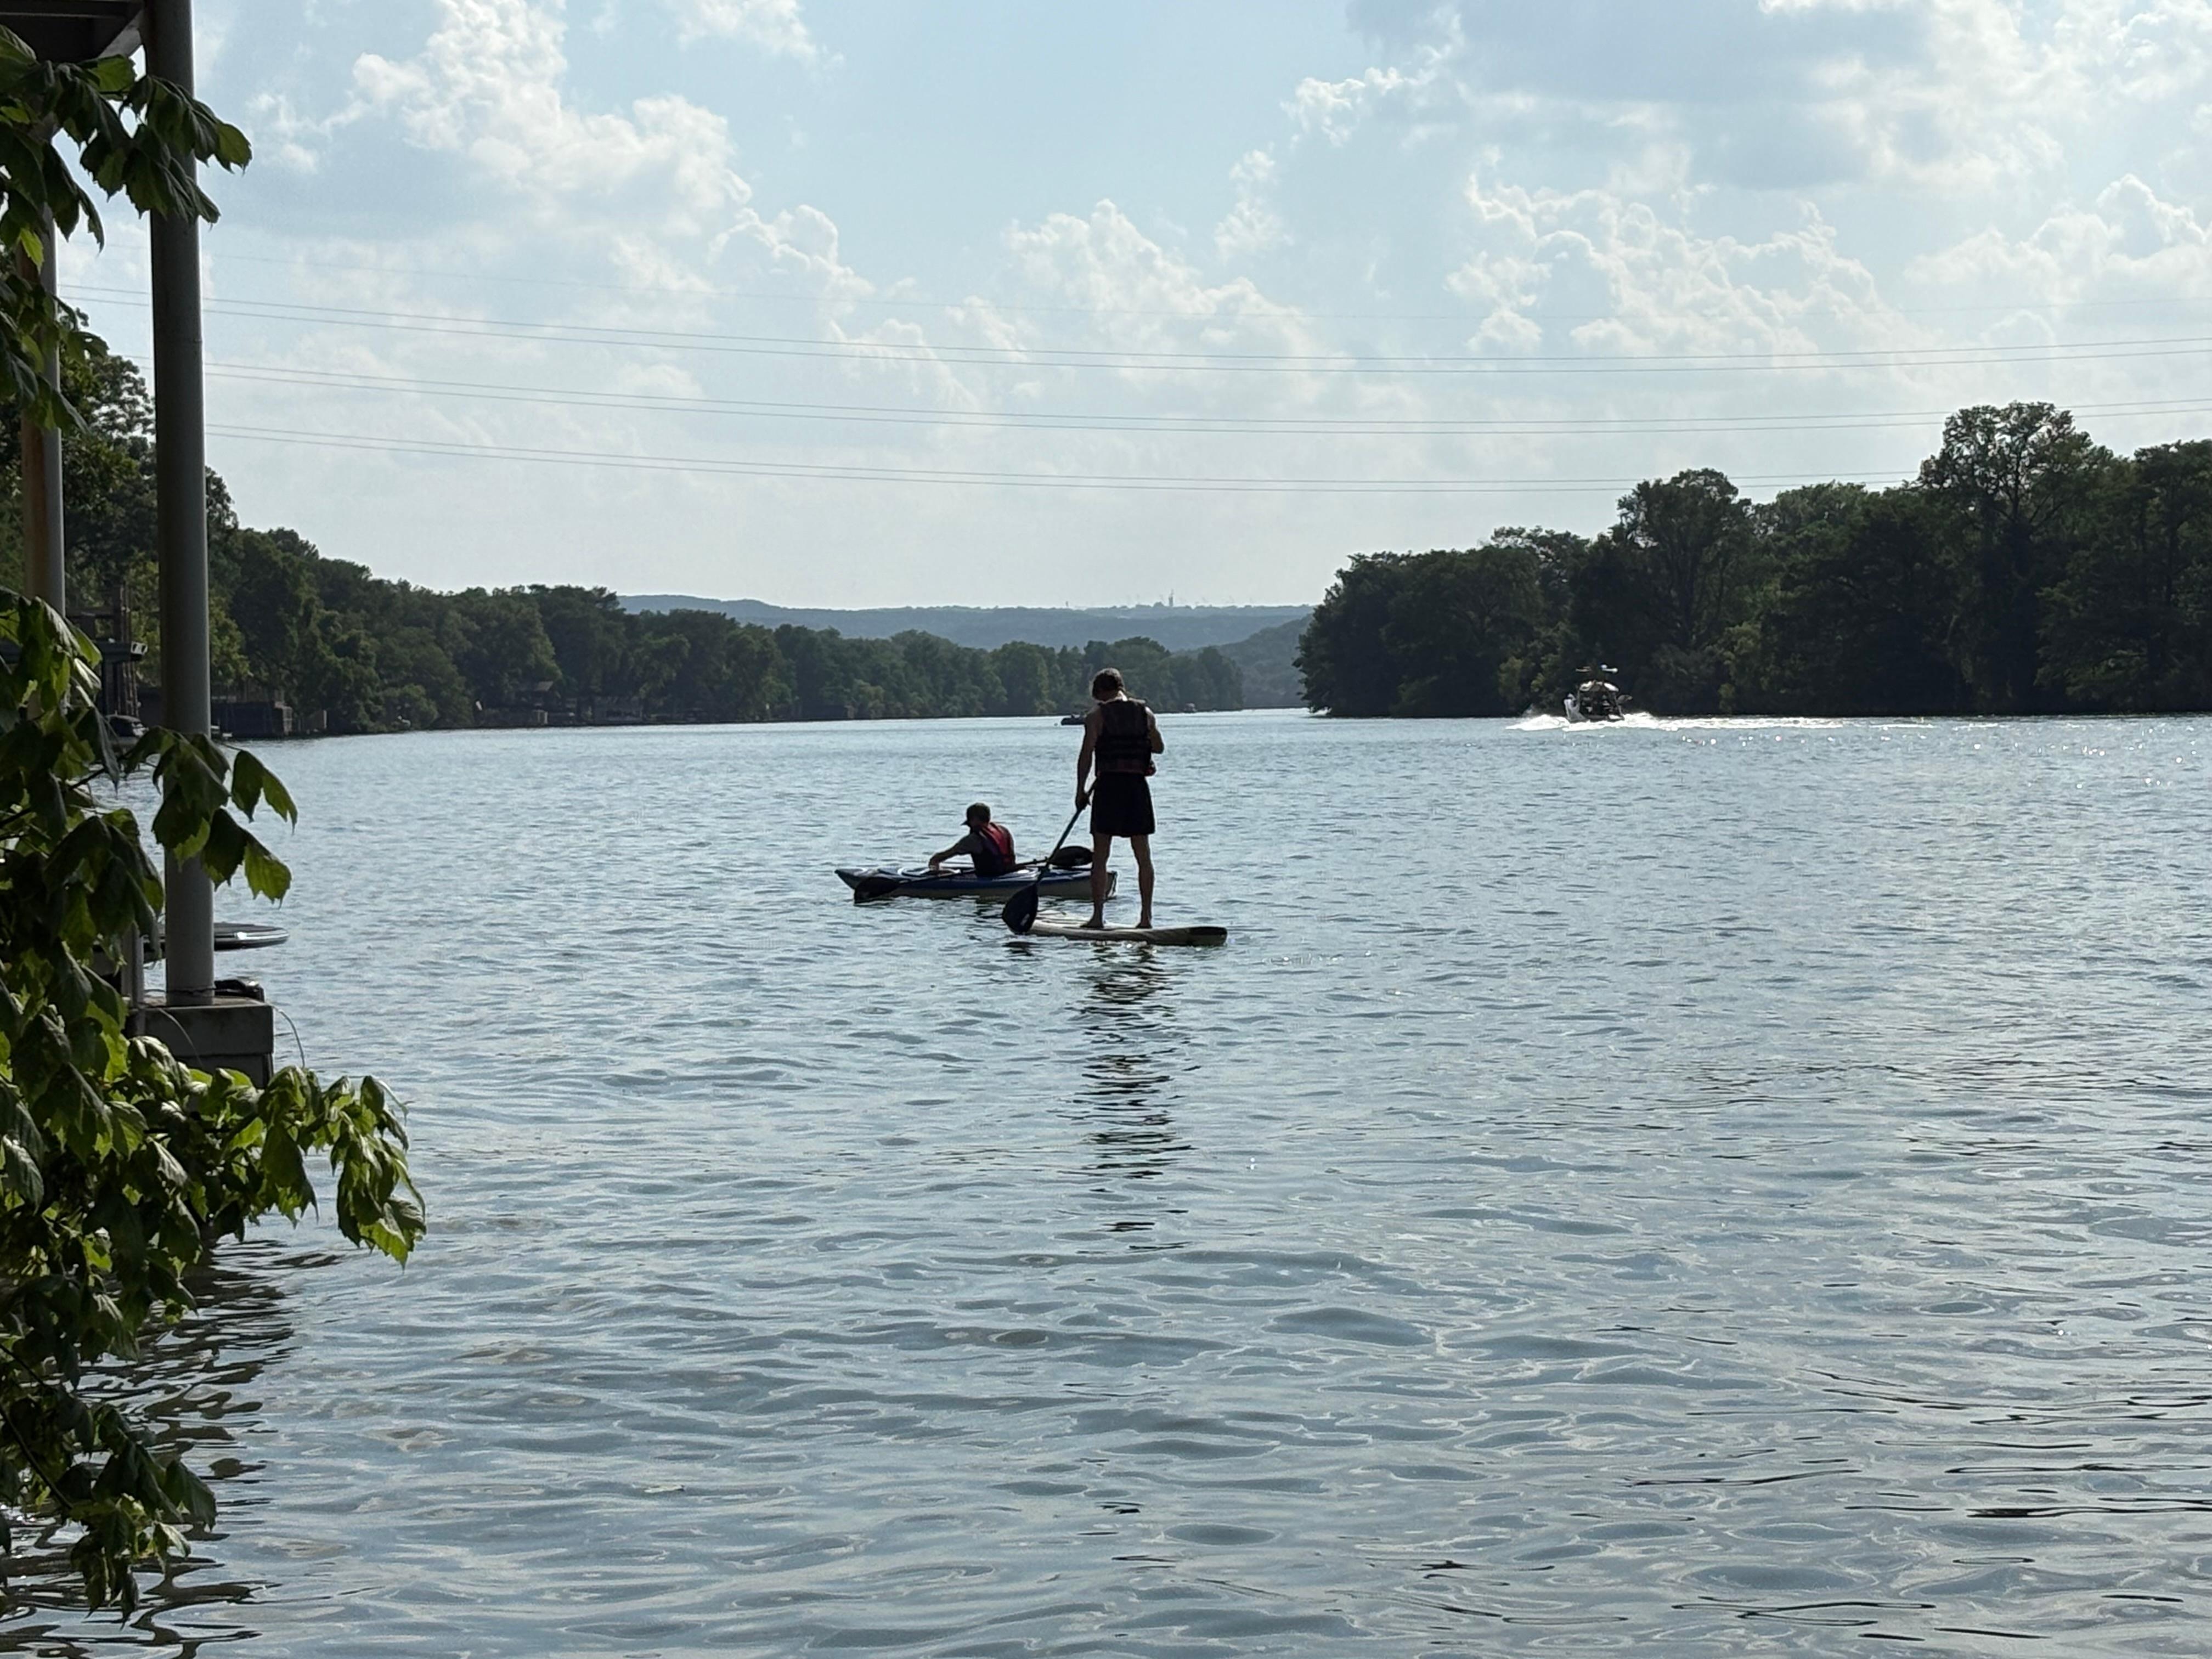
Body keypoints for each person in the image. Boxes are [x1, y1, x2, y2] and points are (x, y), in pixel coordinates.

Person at [1075, 667, 1164, 928]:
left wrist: (1080, 791)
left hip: (1109, 787)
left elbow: (1086, 755)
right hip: (1137, 788)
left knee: (1101, 855)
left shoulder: (1096, 716)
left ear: (1102, 691)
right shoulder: (1146, 713)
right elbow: (1158, 747)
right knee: (1143, 855)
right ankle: (1146, 918)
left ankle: (1098, 917)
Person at [928, 803, 1018, 877]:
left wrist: (934, 862)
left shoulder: (974, 839)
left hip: (990, 877)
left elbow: (946, 855)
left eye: (969, 823)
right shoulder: (1003, 831)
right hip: (1008, 873)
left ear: (974, 820)